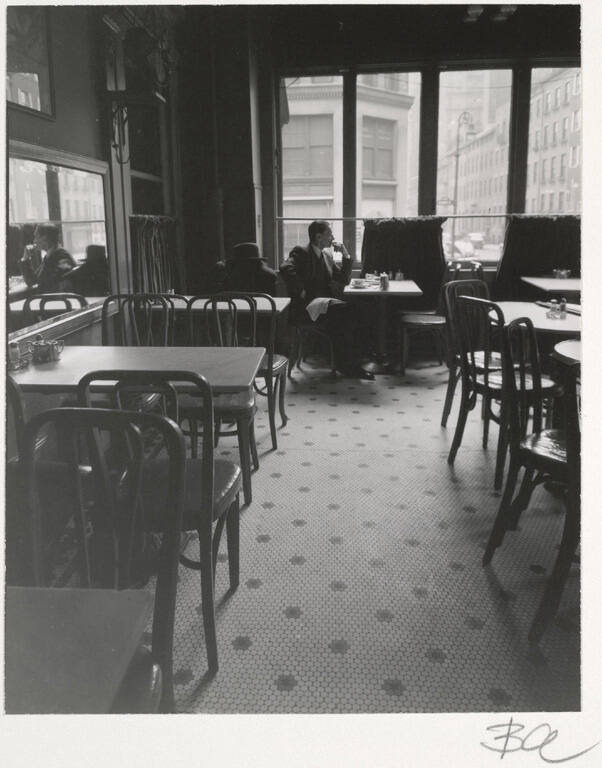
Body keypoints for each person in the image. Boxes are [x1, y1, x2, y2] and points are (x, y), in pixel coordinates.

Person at [280, 220, 374, 380]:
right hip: (306, 308)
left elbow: (343, 279)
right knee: (347, 312)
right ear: (318, 237)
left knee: (354, 311)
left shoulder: (327, 256)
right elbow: (285, 267)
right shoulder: (301, 252)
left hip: (325, 306)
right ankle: (347, 365)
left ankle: (349, 364)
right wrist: (300, 289)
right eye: (329, 234)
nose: (333, 238)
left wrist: (345, 254)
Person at [20, 223, 76, 293]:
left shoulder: (62, 256)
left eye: (36, 237)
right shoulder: (49, 256)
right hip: (50, 297)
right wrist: (25, 258)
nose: (34, 241)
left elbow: (52, 284)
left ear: (45, 238)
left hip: (54, 298)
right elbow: (32, 281)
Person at [207, 242, 278, 295]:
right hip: (261, 309)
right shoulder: (269, 275)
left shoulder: (228, 274)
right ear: (257, 261)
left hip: (234, 309)